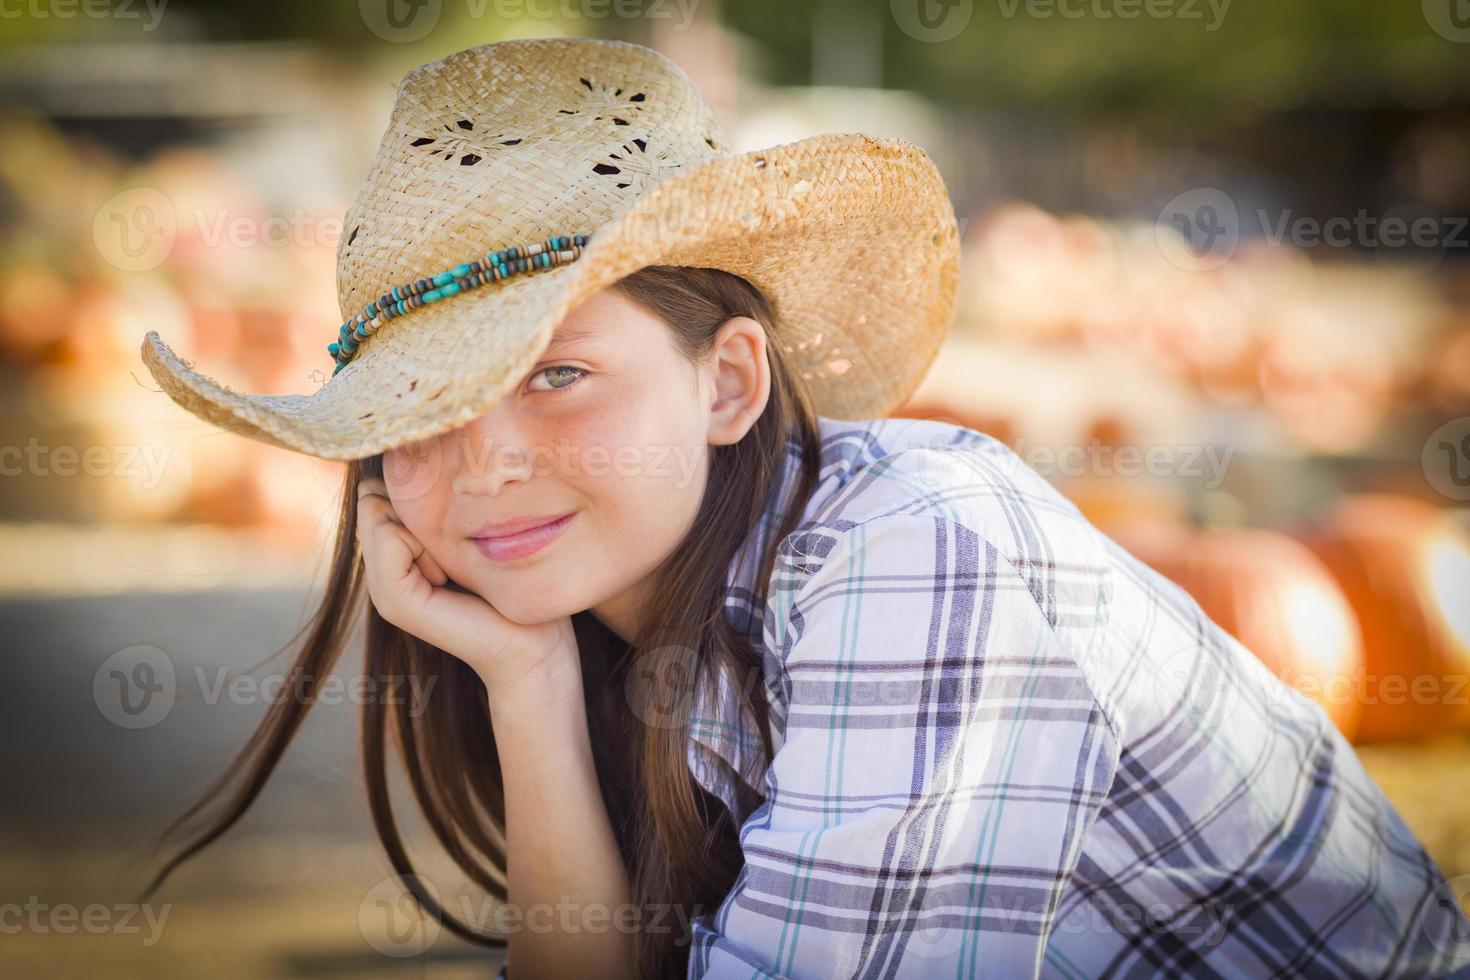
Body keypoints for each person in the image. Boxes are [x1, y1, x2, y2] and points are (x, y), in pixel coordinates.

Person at [137, 36, 1470, 980]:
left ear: (725, 383)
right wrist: (528, 684)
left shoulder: (913, 554)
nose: (481, 464)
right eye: (422, 413)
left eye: (557, 373)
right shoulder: (607, 629)